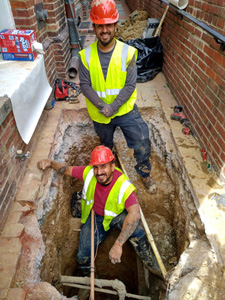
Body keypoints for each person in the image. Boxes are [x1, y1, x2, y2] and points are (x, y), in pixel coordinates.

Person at [37, 146, 161, 280]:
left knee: (137, 231)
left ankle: (152, 265)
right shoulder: (89, 173)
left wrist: (118, 244)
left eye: (103, 167)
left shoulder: (124, 185)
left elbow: (135, 213)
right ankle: (91, 280)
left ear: (113, 166)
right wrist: (50, 163)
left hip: (116, 216)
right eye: (96, 167)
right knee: (82, 256)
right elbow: (66, 169)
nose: (99, 172)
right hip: (95, 218)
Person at [78, 0, 156, 194]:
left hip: (124, 110)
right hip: (100, 113)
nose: (104, 30)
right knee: (105, 146)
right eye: (100, 26)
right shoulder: (85, 56)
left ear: (115, 25)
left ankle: (144, 172)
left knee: (142, 140)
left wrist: (112, 108)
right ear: (94, 27)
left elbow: (130, 85)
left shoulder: (128, 53)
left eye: (108, 25)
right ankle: (110, 165)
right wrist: (101, 105)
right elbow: (85, 86)